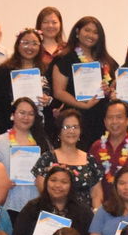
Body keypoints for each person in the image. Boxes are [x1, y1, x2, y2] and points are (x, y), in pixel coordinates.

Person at [13, 166, 96, 235]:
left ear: (71, 186)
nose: (57, 185)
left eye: (64, 182)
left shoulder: (83, 212)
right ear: (46, 182)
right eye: (53, 180)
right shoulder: (32, 207)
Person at [50, 17, 116, 148]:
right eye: (87, 30)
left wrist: (109, 90)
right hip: (74, 119)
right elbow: (58, 92)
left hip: (100, 120)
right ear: (77, 32)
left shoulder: (105, 60)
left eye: (95, 32)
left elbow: (113, 86)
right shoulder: (64, 59)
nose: (91, 35)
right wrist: (82, 105)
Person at [29, 110, 101, 209]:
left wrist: (95, 215)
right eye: (66, 127)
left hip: (84, 218)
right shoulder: (47, 158)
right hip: (54, 216)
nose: (71, 131)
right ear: (59, 131)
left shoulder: (90, 160)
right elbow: (44, 192)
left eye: (75, 127)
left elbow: (97, 194)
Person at [0, 29, 54, 131]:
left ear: (40, 47)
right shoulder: (4, 70)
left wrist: (48, 100)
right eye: (25, 43)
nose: (30, 47)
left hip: (41, 127)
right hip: (10, 127)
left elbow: (54, 96)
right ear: (17, 45)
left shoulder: (46, 69)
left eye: (34, 43)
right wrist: (2, 129)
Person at [0, 98, 49, 213]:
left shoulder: (42, 141)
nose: (26, 117)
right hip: (8, 204)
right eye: (22, 113)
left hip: (35, 203)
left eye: (31, 114)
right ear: (12, 115)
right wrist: (3, 182)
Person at [89, 102, 128, 207]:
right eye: (110, 117)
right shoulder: (96, 147)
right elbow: (93, 185)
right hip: (102, 210)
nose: (114, 121)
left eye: (119, 117)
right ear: (104, 121)